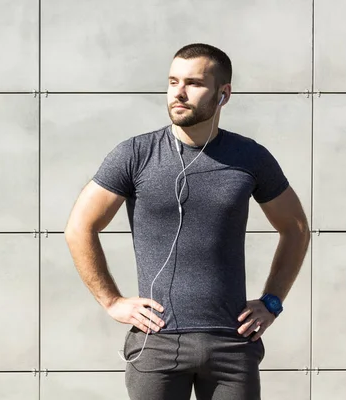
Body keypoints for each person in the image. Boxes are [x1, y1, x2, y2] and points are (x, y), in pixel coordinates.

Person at [64, 43, 310, 400]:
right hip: (157, 344)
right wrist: (112, 301)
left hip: (231, 343)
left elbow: (296, 228)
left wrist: (272, 301)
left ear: (223, 94)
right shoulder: (135, 154)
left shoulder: (250, 157)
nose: (178, 93)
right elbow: (80, 227)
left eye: (193, 83)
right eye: (172, 81)